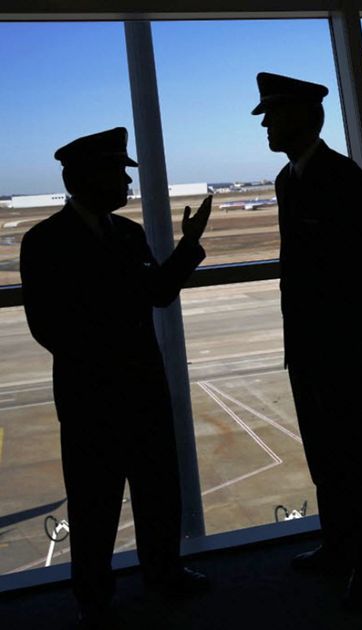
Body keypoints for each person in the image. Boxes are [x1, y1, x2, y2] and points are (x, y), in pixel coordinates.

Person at [20, 127, 212, 628]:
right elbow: (47, 327)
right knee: (93, 503)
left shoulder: (128, 234)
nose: (125, 185)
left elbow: (158, 294)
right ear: (81, 179)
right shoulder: (43, 242)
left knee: (158, 493)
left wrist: (189, 247)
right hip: (92, 396)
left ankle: (163, 572)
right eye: (115, 174)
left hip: (143, 387)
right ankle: (94, 596)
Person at [252, 72, 362, 604]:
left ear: (305, 118)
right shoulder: (289, 179)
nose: (265, 125)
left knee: (353, 457)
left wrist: (358, 326)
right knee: (324, 456)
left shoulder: (341, 178)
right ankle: (338, 545)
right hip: (306, 345)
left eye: (273, 114)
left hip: (337, 345)